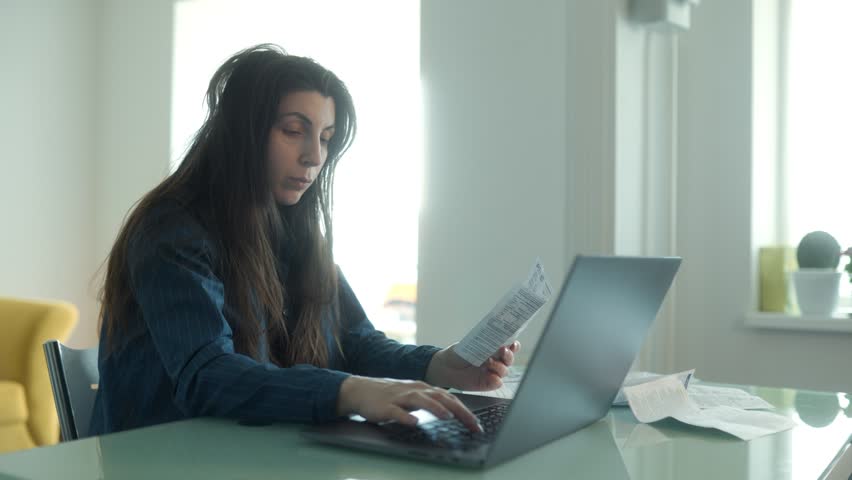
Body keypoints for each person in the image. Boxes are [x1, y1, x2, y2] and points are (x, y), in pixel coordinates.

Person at [90, 44, 519, 436]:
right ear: (244, 133)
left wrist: (438, 364)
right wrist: (349, 391)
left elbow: (353, 340)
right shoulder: (172, 231)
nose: (314, 156)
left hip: (245, 451)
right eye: (294, 131)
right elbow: (207, 374)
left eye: (326, 138)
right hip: (161, 458)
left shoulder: (291, 229)